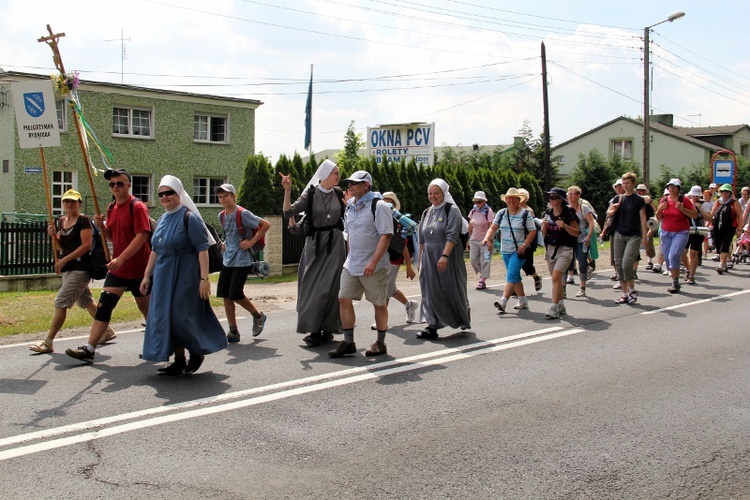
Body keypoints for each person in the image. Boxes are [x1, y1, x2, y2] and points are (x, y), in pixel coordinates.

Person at [139, 176, 228, 375]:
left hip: (186, 274)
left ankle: (196, 351)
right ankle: (179, 361)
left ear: (179, 193)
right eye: (161, 194)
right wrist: (146, 276)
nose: (164, 197)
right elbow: (155, 249)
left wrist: (204, 280)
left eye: (169, 193)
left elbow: (202, 249)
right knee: (166, 317)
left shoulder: (190, 218)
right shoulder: (161, 219)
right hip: (163, 276)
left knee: (181, 316)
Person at [66, 168, 152, 363]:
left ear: (128, 185)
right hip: (118, 269)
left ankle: (158, 343)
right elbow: (112, 236)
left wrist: (121, 258)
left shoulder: (137, 207)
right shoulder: (111, 207)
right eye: (112, 184)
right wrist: (102, 227)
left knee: (145, 308)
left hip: (139, 268)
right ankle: (89, 349)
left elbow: (142, 236)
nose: (115, 187)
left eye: (119, 183)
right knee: (104, 305)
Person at [29, 190, 115, 354]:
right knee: (86, 302)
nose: (69, 205)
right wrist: (53, 237)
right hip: (69, 268)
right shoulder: (62, 221)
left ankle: (48, 342)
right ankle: (107, 331)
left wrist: (64, 260)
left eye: (73, 201)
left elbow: (86, 246)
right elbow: (62, 248)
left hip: (81, 269)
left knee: (61, 302)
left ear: (79, 203)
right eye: (66, 201)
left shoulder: (83, 221)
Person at [281, 159, 347, 346]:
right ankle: (314, 328)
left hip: (335, 244)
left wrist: (350, 205)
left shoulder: (339, 192)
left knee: (332, 287)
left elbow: (348, 216)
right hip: (315, 245)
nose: (338, 175)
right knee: (314, 288)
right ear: (325, 174)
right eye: (336, 172)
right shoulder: (310, 194)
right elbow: (288, 212)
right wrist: (287, 190)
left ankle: (328, 329)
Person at [328, 170, 393, 357]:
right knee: (343, 298)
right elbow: (349, 234)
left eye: (355, 183)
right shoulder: (350, 206)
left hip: (374, 266)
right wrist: (349, 256)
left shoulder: (379, 206)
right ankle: (348, 343)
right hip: (352, 264)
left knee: (379, 303)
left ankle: (380, 343)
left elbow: (386, 235)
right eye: (350, 183)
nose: (350, 186)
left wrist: (373, 261)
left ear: (366, 185)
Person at [416, 178, 471, 339]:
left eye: (436, 193)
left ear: (444, 193)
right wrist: (420, 261)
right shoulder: (427, 212)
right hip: (429, 257)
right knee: (429, 289)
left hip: (447, 256)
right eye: (430, 193)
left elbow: (452, 236)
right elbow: (421, 239)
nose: (433, 196)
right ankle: (432, 324)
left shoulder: (452, 210)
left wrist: (445, 256)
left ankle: (459, 317)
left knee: (450, 288)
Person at [215, 183, 270, 342]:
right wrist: (225, 243)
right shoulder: (222, 215)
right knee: (225, 295)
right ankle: (233, 332)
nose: (223, 199)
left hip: (242, 260)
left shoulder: (243, 213)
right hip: (228, 260)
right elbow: (229, 233)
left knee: (236, 293)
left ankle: (258, 316)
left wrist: (251, 242)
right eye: (220, 196)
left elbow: (266, 225)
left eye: (226, 195)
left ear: (233, 196)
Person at [482, 187, 536, 314]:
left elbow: (533, 231)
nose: (511, 200)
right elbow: (493, 227)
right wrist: (486, 238)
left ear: (519, 200)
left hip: (519, 251)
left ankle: (503, 301)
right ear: (506, 200)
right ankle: (522, 300)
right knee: (515, 275)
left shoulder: (525, 214)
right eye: (509, 198)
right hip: (505, 250)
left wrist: (524, 244)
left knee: (511, 274)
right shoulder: (501, 213)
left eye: (514, 198)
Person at [607, 172, 647, 305]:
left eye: (627, 183)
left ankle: (632, 289)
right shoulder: (618, 198)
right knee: (618, 264)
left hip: (634, 235)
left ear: (633, 184)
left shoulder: (638, 200)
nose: (625, 185)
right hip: (619, 233)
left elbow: (643, 218)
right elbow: (609, 213)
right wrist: (614, 208)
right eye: (623, 183)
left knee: (627, 264)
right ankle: (624, 294)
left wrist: (644, 236)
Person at [379, 191, 418, 326]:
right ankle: (409, 305)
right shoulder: (379, 219)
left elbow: (403, 245)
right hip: (382, 259)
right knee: (391, 289)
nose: (387, 204)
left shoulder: (400, 223)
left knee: (386, 292)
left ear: (395, 205)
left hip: (394, 260)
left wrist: (408, 266)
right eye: (384, 201)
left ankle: (380, 321)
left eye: (390, 202)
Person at [540, 187, 579, 319]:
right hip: (551, 248)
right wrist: (543, 226)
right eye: (550, 197)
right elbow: (544, 234)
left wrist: (565, 226)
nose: (551, 199)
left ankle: (554, 306)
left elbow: (576, 232)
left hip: (565, 249)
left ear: (561, 200)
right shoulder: (548, 212)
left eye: (554, 197)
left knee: (556, 278)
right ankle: (561, 304)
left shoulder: (569, 213)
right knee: (554, 280)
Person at [655, 179, 697, 293]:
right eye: (670, 187)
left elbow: (695, 215)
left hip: (681, 231)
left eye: (674, 187)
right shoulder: (664, 200)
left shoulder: (684, 200)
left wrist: (682, 209)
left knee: (674, 255)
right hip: (666, 232)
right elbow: (659, 218)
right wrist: (659, 209)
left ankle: (675, 283)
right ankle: (674, 277)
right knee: (667, 256)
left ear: (679, 188)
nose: (672, 189)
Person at [566, 186, 595, 298]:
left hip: (582, 239)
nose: (570, 196)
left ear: (578, 196)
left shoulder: (584, 208)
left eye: (573, 194)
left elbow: (591, 223)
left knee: (581, 262)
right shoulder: (566, 209)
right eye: (569, 194)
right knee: (569, 261)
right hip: (569, 240)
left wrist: (588, 237)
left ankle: (582, 288)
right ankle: (565, 286)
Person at [710, 183, 742, 275]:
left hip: (729, 227)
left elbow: (740, 216)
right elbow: (712, 214)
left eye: (726, 191)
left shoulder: (734, 202)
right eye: (723, 191)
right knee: (718, 245)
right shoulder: (718, 202)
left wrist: (739, 228)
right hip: (717, 227)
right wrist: (708, 224)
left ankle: (720, 264)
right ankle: (723, 263)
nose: (724, 193)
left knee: (725, 244)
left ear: (730, 192)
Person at [467, 191, 494, 290]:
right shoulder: (473, 211)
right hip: (474, 239)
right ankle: (483, 274)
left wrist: (490, 241)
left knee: (485, 260)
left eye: (479, 202)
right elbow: (470, 225)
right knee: (473, 260)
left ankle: (482, 280)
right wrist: (467, 240)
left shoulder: (488, 212)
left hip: (485, 240)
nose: (477, 204)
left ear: (484, 201)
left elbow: (491, 227)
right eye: (475, 202)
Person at [684, 185, 709, 285]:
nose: (695, 198)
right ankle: (688, 269)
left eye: (697, 196)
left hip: (698, 231)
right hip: (686, 230)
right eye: (693, 196)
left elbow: (710, 218)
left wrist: (700, 209)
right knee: (682, 253)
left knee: (693, 254)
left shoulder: (704, 204)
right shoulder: (686, 202)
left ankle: (691, 276)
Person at [602, 178, 625, 281]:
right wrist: (604, 230)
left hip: (627, 229)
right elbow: (608, 215)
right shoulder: (614, 199)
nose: (618, 188)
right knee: (615, 253)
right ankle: (617, 273)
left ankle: (630, 272)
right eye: (617, 186)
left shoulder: (631, 198)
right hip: (614, 228)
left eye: (620, 186)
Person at [635, 183, 656, 270]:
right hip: (636, 223)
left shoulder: (648, 201)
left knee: (648, 241)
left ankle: (650, 260)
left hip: (648, 222)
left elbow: (655, 210)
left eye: (642, 191)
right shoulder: (635, 200)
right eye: (638, 190)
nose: (640, 192)